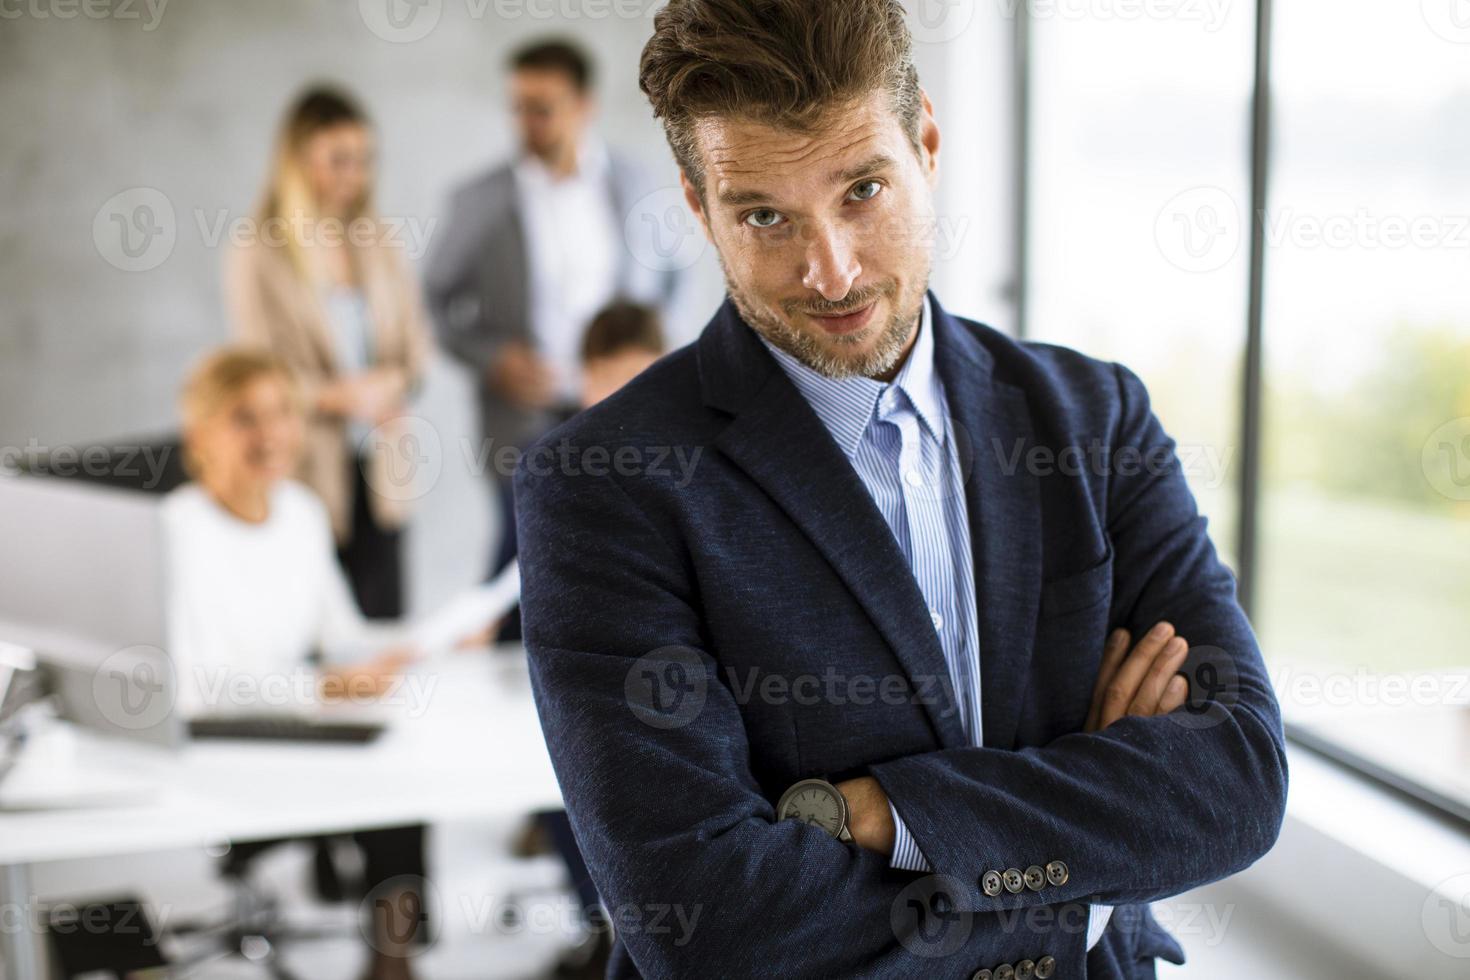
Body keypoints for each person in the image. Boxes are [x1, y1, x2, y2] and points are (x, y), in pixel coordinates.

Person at [513, 2, 1288, 978]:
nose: (829, 269)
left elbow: (1237, 784)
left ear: (925, 141)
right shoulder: (601, 485)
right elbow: (708, 923)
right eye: (764, 215)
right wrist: (1085, 874)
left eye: (862, 190)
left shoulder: (1096, 421)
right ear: (696, 203)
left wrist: (885, 811)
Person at [163, 348, 427, 980]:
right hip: (220, 746)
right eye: (244, 418)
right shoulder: (174, 530)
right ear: (200, 435)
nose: (272, 434)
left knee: (405, 770)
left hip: (302, 723)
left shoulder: (303, 513)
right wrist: (321, 685)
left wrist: (405, 645)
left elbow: (340, 634)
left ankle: (392, 957)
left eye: (283, 413)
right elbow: (196, 687)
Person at [424, 39, 682, 592]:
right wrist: (491, 358)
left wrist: (646, 361)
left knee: (623, 554)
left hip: (618, 405)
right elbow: (437, 298)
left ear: (585, 104)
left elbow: (675, 278)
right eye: (517, 106)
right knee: (522, 561)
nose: (526, 122)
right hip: (522, 415)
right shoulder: (478, 200)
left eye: (542, 107)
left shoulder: (637, 185)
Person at [226, 85, 431, 620]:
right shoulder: (258, 252)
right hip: (307, 471)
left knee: (383, 629)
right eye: (337, 160)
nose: (354, 175)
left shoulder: (379, 239)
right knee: (314, 637)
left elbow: (415, 354)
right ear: (297, 161)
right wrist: (342, 398)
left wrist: (390, 385)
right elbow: (259, 375)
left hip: (383, 471)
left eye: (363, 160)